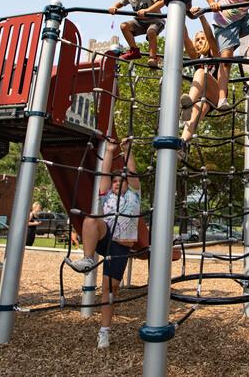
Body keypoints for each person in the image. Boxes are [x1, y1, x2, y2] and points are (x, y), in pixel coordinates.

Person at [65, 139, 140, 349]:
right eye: (115, 181)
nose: (117, 184)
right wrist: (109, 151)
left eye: (121, 181)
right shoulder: (106, 195)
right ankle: (88, 259)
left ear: (127, 184)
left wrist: (126, 151)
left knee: (110, 289)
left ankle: (104, 332)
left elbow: (132, 173)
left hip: (120, 247)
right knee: (90, 219)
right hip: (104, 237)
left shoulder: (134, 195)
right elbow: (104, 174)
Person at [109, 0, 165, 67]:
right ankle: (134, 50)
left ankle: (153, 57)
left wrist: (148, 10)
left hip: (155, 21)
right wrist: (114, 7)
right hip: (139, 22)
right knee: (124, 26)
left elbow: (161, 1)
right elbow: (121, 2)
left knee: (151, 31)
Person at [179, 9, 221, 147]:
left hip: (217, 95)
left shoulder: (215, 54)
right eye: (197, 40)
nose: (200, 41)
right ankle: (182, 144)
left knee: (201, 73)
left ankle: (189, 103)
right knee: (194, 115)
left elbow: (210, 36)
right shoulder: (197, 58)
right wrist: (179, 12)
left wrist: (201, 16)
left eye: (202, 39)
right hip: (204, 99)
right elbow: (185, 38)